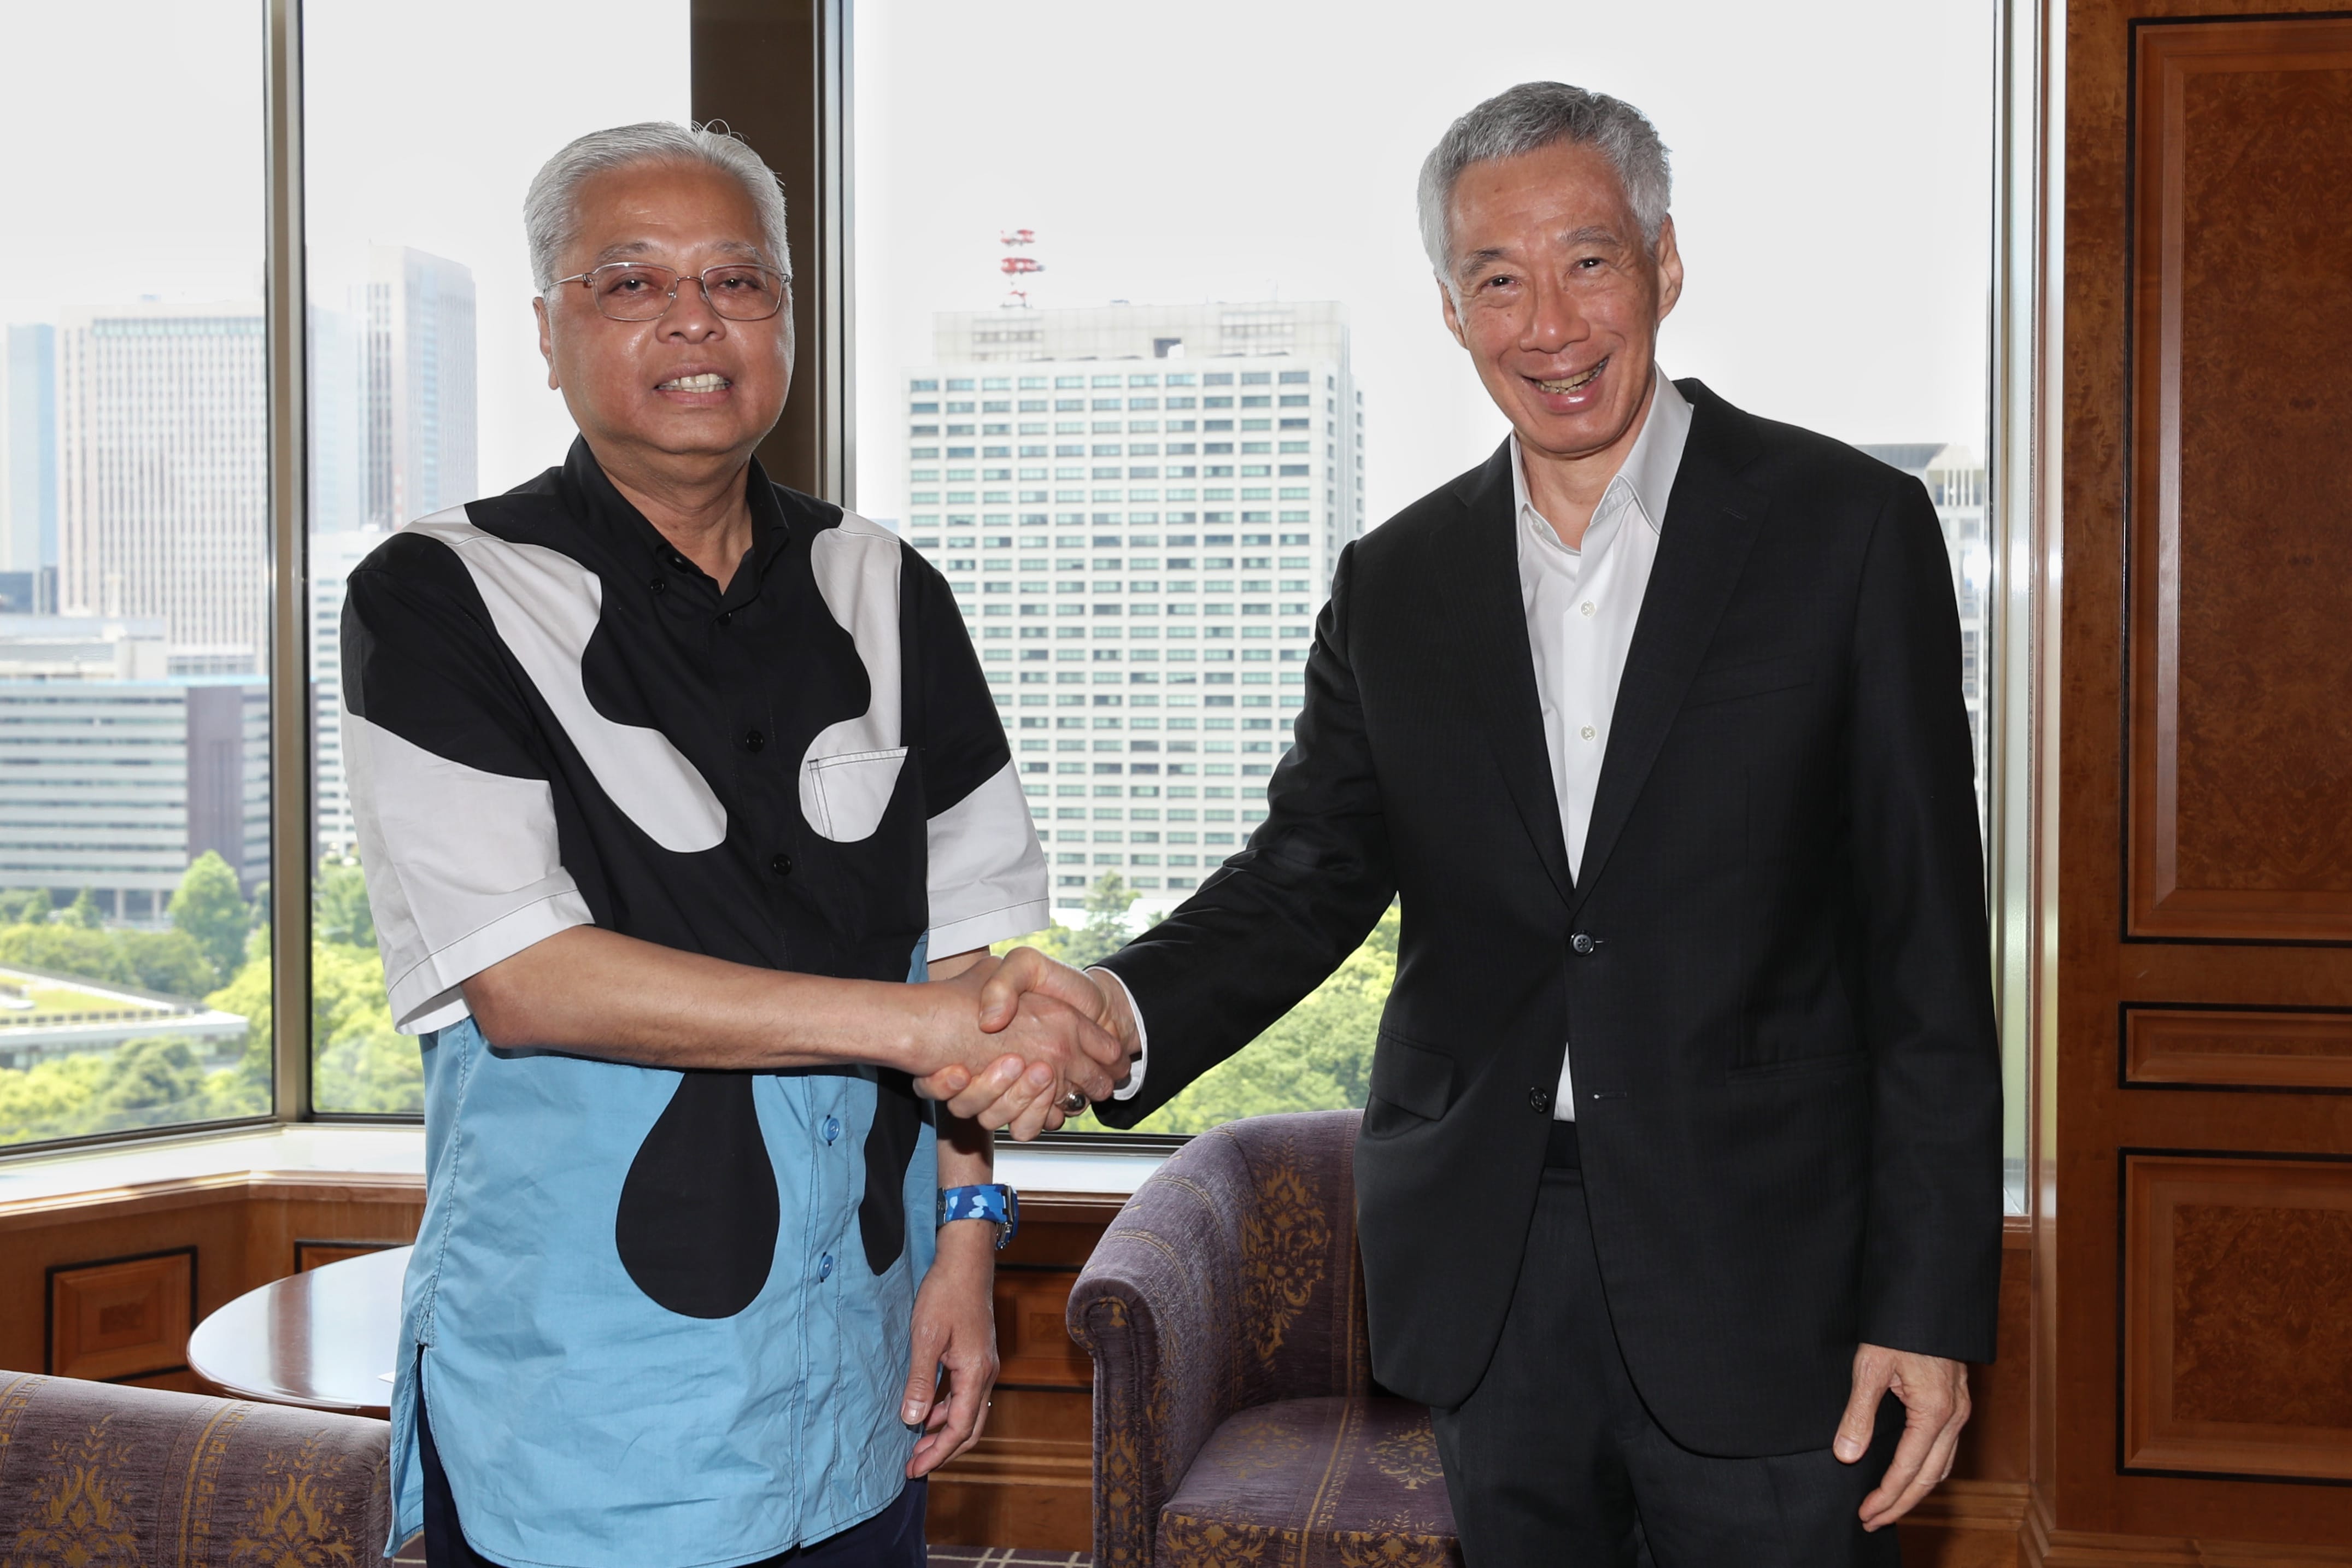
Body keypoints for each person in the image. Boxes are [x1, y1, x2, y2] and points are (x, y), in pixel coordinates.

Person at [968, 82, 2004, 1565]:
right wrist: (1112, 1007)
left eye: (1588, 262)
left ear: (1664, 263)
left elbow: (1927, 948)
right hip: (1491, 1262)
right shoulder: (1398, 583)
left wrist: (1927, 1306)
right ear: (1451, 310)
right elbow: (1305, 878)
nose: (1550, 323)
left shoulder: (1845, 531)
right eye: (1496, 280)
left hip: (1771, 1267)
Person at [342, 121, 1121, 1568]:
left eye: (740, 282)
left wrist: (968, 1237)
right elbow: (528, 978)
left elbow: (971, 941)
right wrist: (921, 1024)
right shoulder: (442, 596)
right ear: (547, 330)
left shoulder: (886, 585)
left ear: (788, 320)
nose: (695, 320)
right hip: (581, 1407)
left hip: (858, 1368)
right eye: (629, 283)